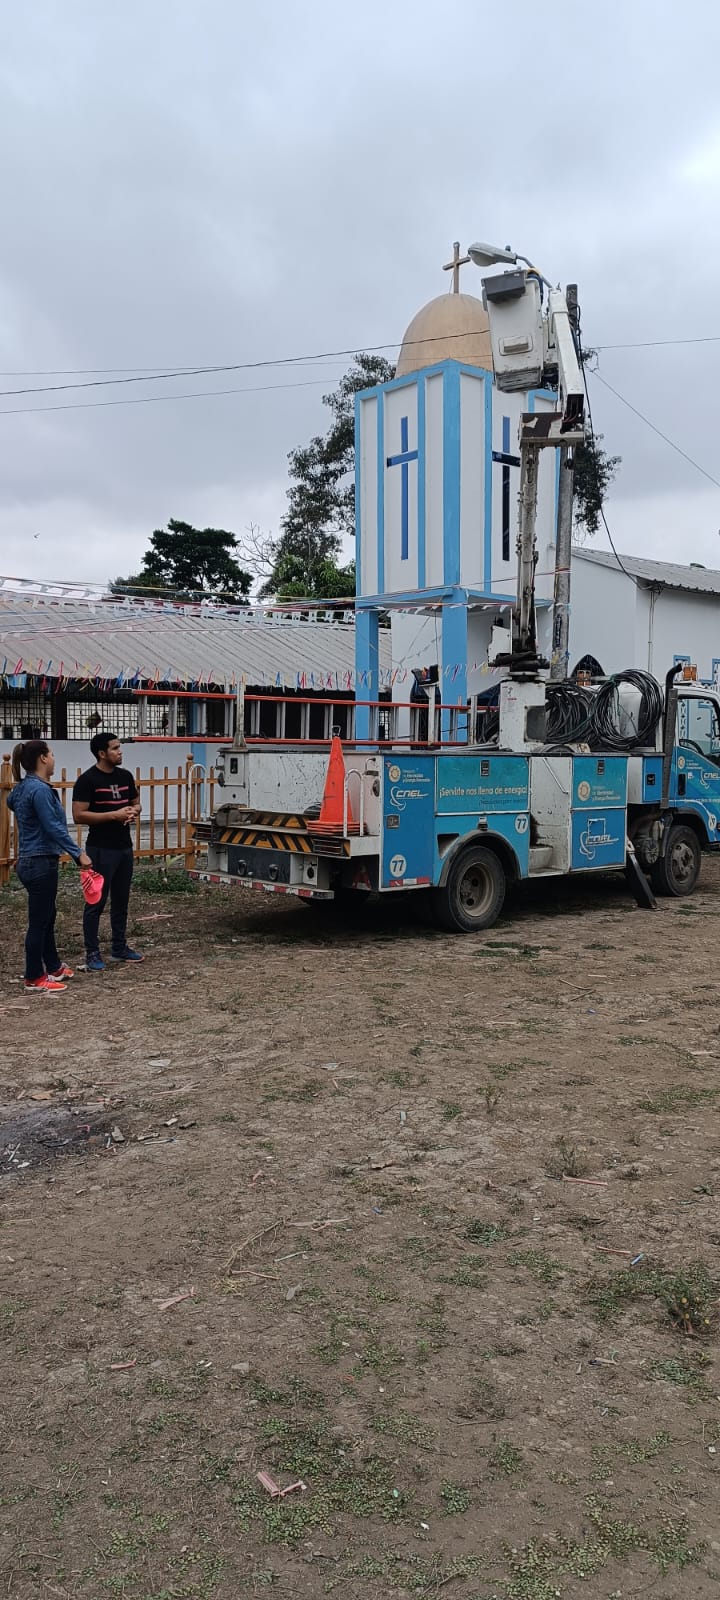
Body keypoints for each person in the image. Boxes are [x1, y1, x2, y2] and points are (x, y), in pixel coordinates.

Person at [7, 740, 92, 993]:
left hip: (29, 861)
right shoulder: (40, 790)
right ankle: (34, 976)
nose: (54, 759)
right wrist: (78, 853)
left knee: (47, 915)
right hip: (40, 861)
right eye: (52, 754)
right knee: (39, 921)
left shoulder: (23, 788)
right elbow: (52, 827)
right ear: (43, 758)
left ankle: (53, 966)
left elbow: (11, 801)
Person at [72, 733, 143, 970]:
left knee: (121, 901)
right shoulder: (87, 780)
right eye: (114, 748)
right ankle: (92, 953)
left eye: (119, 747)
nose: (120, 752)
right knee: (96, 903)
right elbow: (79, 815)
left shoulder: (125, 776)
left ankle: (119, 947)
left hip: (124, 847)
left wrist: (133, 811)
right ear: (102, 753)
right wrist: (113, 815)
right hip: (101, 849)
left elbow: (136, 802)